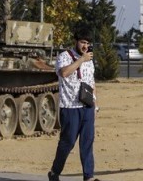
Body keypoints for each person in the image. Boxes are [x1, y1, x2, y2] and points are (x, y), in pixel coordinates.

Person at [48, 29, 98, 181]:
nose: (85, 46)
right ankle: (55, 172)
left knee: (87, 141)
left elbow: (91, 82)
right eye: (83, 42)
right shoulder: (65, 56)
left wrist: (95, 105)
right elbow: (63, 73)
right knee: (67, 142)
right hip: (70, 107)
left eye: (88, 43)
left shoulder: (89, 60)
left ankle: (88, 176)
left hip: (87, 106)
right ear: (76, 41)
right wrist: (81, 60)